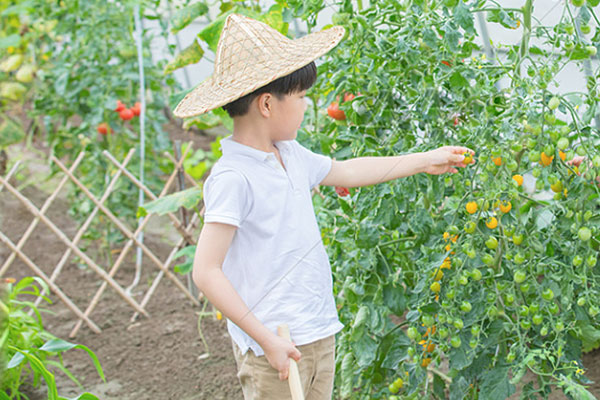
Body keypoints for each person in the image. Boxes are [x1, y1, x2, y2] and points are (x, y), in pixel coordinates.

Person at [173, 14, 473, 400]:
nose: (306, 105)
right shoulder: (234, 176)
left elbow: (346, 171)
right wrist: (266, 341)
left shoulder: (289, 154)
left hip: (316, 330)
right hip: (273, 347)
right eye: (300, 97)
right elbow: (206, 271)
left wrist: (424, 159)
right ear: (267, 104)